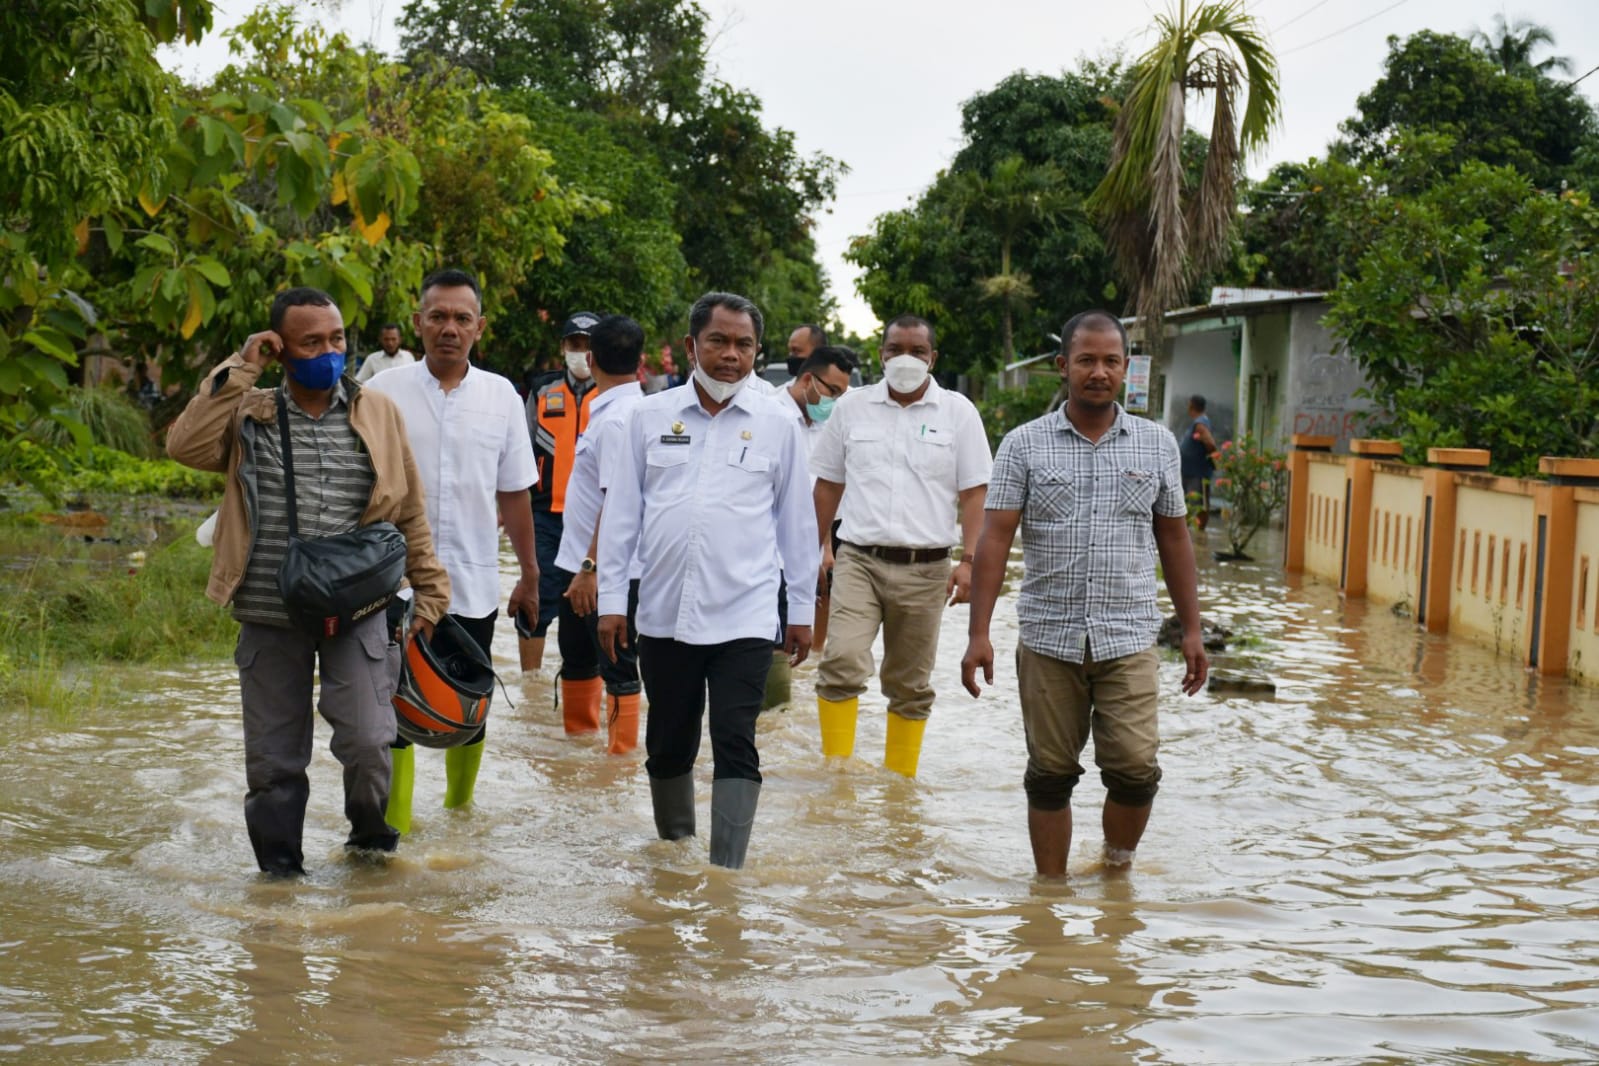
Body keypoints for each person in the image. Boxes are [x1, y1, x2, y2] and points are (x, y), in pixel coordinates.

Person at [165, 287, 450, 876]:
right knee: (272, 761)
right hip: (270, 610)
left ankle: (369, 851)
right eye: (311, 342)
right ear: (282, 350)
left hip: (361, 607)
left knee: (370, 738)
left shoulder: (378, 412)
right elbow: (184, 445)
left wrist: (429, 591)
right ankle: (279, 881)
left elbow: (409, 509)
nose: (329, 351)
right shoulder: (251, 411)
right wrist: (243, 368)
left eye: (337, 338)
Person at [960, 310, 1208, 879]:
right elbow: (995, 539)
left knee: (1136, 769)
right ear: (1063, 367)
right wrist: (979, 634)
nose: (1099, 372)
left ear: (1125, 368)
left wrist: (1192, 629)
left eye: (1110, 361)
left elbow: (1174, 537)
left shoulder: (1156, 445)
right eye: (1086, 360)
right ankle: (1049, 894)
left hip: (1129, 636)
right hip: (1049, 637)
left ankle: (1116, 873)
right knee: (1049, 773)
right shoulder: (1024, 445)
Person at [596, 291, 817, 869]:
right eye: (718, 341)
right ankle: (674, 858)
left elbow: (796, 524)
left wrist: (800, 613)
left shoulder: (778, 425)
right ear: (692, 346)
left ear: (756, 353)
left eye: (744, 344)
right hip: (665, 613)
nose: (730, 355)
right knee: (669, 740)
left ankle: (726, 878)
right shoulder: (648, 417)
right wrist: (612, 603)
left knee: (735, 737)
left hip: (745, 613)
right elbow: (621, 518)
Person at [363, 269, 540, 832]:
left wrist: (530, 576)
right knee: (392, 705)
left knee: (470, 701)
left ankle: (461, 815)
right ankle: (397, 828)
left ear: (479, 328)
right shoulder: (381, 394)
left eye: (462, 318)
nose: (449, 328)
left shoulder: (502, 397)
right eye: (437, 316)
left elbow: (514, 494)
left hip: (473, 581)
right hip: (390, 583)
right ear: (418, 323)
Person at [810, 315, 991, 777]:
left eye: (917, 351)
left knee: (910, 686)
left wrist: (970, 561)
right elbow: (828, 485)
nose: (905, 360)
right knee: (841, 662)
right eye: (895, 350)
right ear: (881, 354)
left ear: (933, 358)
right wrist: (813, 551)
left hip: (928, 568)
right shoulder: (851, 408)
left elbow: (975, 495)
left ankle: (899, 790)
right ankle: (837, 779)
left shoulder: (959, 413)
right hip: (858, 560)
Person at [555, 315, 648, 754]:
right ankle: (578, 755)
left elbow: (617, 502)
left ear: (590, 360)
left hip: (606, 571)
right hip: (580, 565)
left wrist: (591, 567)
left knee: (617, 665)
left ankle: (619, 761)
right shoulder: (613, 410)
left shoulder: (618, 420)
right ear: (642, 362)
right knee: (577, 660)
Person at [519, 312, 600, 672]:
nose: (580, 352)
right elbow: (519, 453)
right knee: (536, 603)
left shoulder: (612, 395)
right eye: (574, 344)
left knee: (591, 607)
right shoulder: (542, 390)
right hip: (544, 516)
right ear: (563, 347)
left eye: (587, 345)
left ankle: (591, 688)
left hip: (595, 521)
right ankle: (531, 688)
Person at [779, 346, 854, 655]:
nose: (833, 401)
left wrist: (823, 548)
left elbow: (826, 490)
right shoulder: (772, 417)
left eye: (840, 394)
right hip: (775, 549)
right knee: (776, 645)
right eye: (831, 391)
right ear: (808, 379)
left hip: (821, 541)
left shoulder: (830, 425)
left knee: (816, 642)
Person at [1180, 395, 1218, 530]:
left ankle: (1201, 532)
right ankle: (1191, 529)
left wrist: (1211, 458)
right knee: (1189, 501)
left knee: (1200, 503)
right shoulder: (1199, 422)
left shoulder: (1200, 424)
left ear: (1191, 406)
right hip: (1190, 471)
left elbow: (1210, 443)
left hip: (1198, 471)